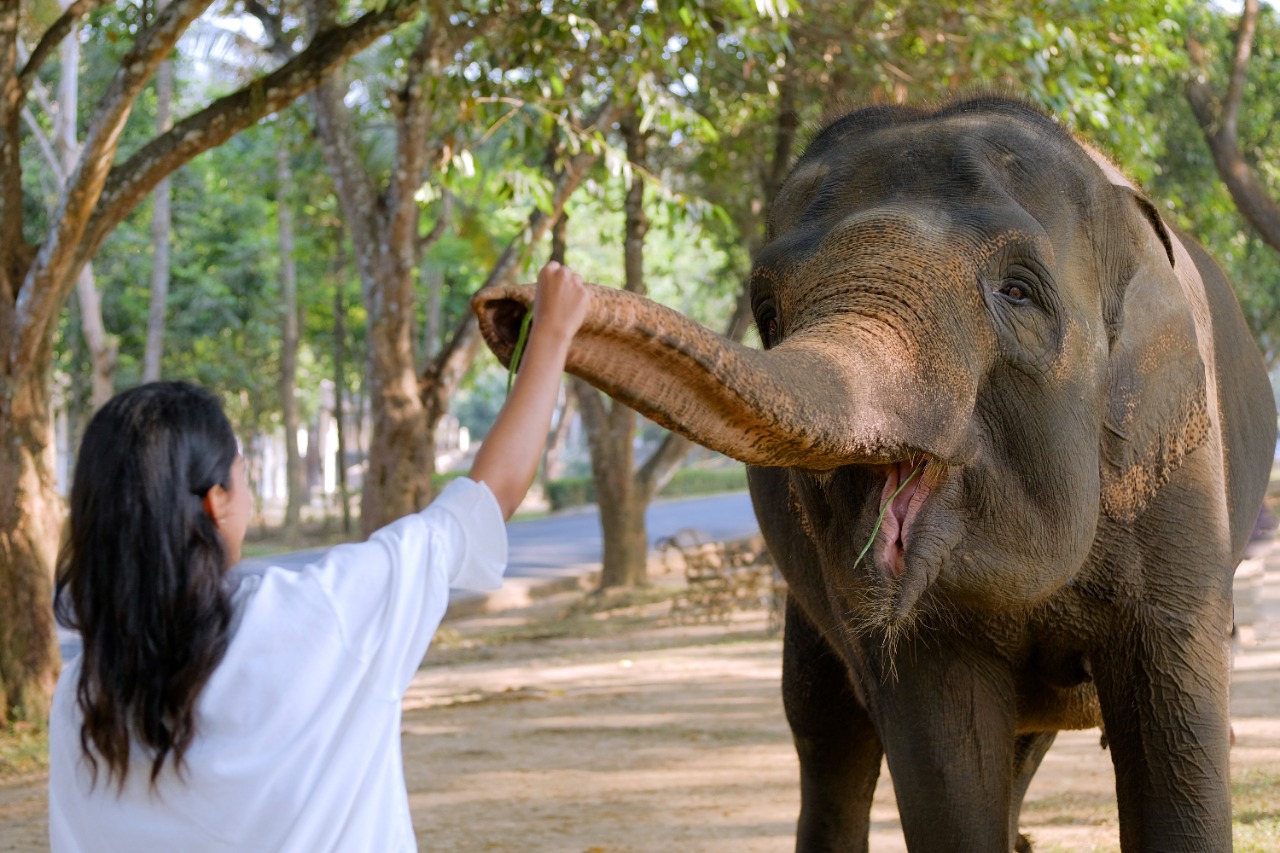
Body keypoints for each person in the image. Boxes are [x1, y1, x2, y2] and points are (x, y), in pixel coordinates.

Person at [48, 261, 592, 852]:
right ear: (216, 501)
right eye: (241, 470)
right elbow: (487, 499)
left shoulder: (81, 698)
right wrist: (552, 335)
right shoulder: (321, 614)